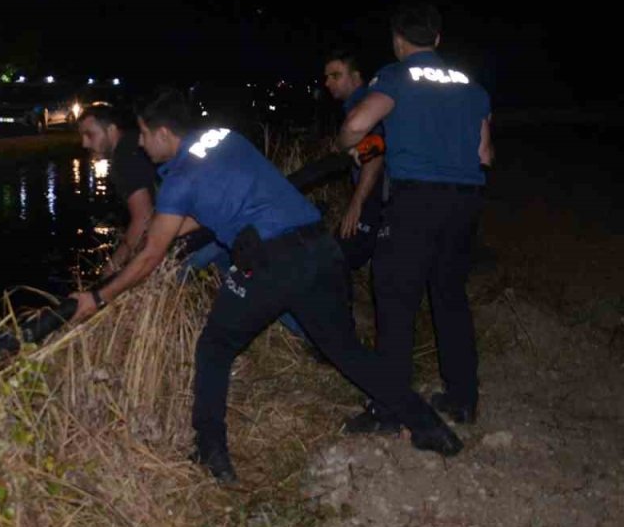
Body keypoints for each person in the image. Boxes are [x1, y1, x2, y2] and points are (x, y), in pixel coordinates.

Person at [69, 86, 462, 483]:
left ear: (164, 133)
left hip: (273, 262)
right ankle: (429, 426)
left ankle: (211, 452)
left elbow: (150, 256)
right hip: (320, 247)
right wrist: (164, 227)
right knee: (345, 350)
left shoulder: (178, 180)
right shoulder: (226, 138)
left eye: (143, 133)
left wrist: (99, 296)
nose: (140, 143)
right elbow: (210, 206)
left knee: (214, 348)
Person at [337, 1, 493, 433]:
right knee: (450, 295)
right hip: (465, 202)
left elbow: (358, 124)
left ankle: (389, 410)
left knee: (395, 298)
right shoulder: (471, 86)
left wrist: (344, 142)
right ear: (437, 39)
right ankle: (463, 399)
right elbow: (484, 154)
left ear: (398, 40)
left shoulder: (395, 75)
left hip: (416, 202)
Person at [323, 50, 386, 272]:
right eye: (327, 77)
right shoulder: (366, 101)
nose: (328, 83)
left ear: (356, 77)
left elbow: (375, 153)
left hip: (376, 193)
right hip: (382, 193)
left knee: (335, 259)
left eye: (335, 76)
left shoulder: (362, 104)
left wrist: (357, 203)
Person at [76, 105, 157, 275]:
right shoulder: (133, 144)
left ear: (112, 130)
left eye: (90, 135)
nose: (84, 143)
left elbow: (144, 218)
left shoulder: (123, 159)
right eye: (82, 136)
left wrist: (110, 270)